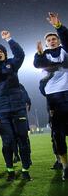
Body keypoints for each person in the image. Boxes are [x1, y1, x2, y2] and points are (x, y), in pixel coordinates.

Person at [0, 31, 32, 181]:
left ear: (4, 53)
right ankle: (10, 170)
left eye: (0, 51)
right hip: (1, 110)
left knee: (22, 138)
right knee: (7, 141)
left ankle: (25, 169)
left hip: (17, 108)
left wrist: (9, 39)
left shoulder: (12, 64)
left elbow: (20, 55)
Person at [34, 12, 68, 181]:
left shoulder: (65, 50)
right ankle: (65, 166)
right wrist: (40, 53)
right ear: (46, 43)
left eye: (54, 39)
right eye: (49, 40)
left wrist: (58, 27)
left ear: (59, 40)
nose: (52, 41)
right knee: (58, 134)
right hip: (53, 97)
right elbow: (37, 64)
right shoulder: (43, 54)